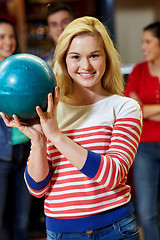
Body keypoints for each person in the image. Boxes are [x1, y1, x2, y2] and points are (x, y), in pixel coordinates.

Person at [1, 16, 142, 240]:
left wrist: (55, 135)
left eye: (94, 56)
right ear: (64, 59)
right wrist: (39, 140)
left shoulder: (125, 108)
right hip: (61, 232)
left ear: (106, 58)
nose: (85, 66)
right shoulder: (51, 110)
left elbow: (112, 175)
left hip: (115, 230)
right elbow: (37, 188)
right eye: (75, 57)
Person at [124, 22, 160, 240]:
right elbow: (132, 110)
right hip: (144, 147)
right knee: (146, 213)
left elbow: (140, 108)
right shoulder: (138, 71)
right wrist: (141, 109)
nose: (143, 47)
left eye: (148, 41)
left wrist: (145, 109)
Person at [0, 18, 32, 240]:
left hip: (26, 150)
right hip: (1, 154)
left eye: (11, 36)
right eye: (1, 37)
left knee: (22, 218)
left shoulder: (24, 70)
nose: (8, 42)